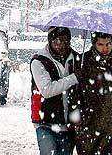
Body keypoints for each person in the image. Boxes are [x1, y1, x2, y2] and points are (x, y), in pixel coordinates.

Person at [30, 26, 81, 155]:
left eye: (65, 41)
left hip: (69, 123)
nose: (61, 45)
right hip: (45, 121)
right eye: (57, 41)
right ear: (50, 41)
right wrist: (73, 78)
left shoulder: (77, 59)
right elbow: (47, 90)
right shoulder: (39, 61)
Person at [75, 31, 112, 155]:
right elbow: (74, 95)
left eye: (108, 44)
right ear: (94, 44)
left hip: (110, 124)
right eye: (100, 44)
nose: (105, 48)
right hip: (89, 124)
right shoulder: (82, 62)